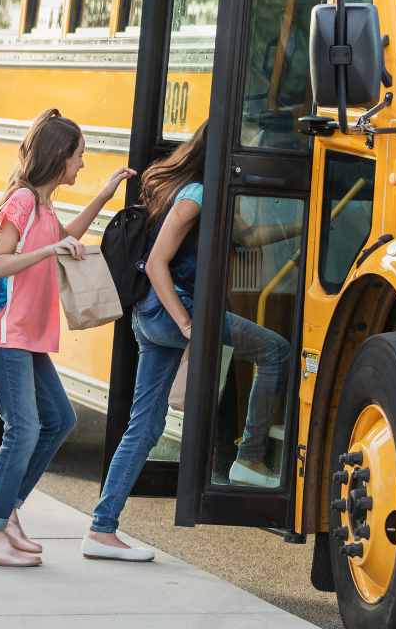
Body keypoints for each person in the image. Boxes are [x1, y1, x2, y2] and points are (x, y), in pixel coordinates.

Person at [84, 123, 291, 561]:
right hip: (170, 312)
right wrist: (189, 325)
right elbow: (157, 263)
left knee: (146, 424)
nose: (252, 157)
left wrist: (304, 227)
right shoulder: (196, 196)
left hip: (155, 316)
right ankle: (250, 457)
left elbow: (250, 239)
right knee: (276, 351)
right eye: (246, 146)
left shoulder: (207, 194)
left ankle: (102, 528)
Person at [0, 109, 134, 566]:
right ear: (59, 157)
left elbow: (66, 238)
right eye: (79, 157)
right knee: (23, 429)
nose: (82, 164)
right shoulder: (21, 201)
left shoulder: (43, 203)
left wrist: (103, 195)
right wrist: (47, 250)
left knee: (59, 420)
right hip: (3, 332)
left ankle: (6, 512)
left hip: (27, 334)